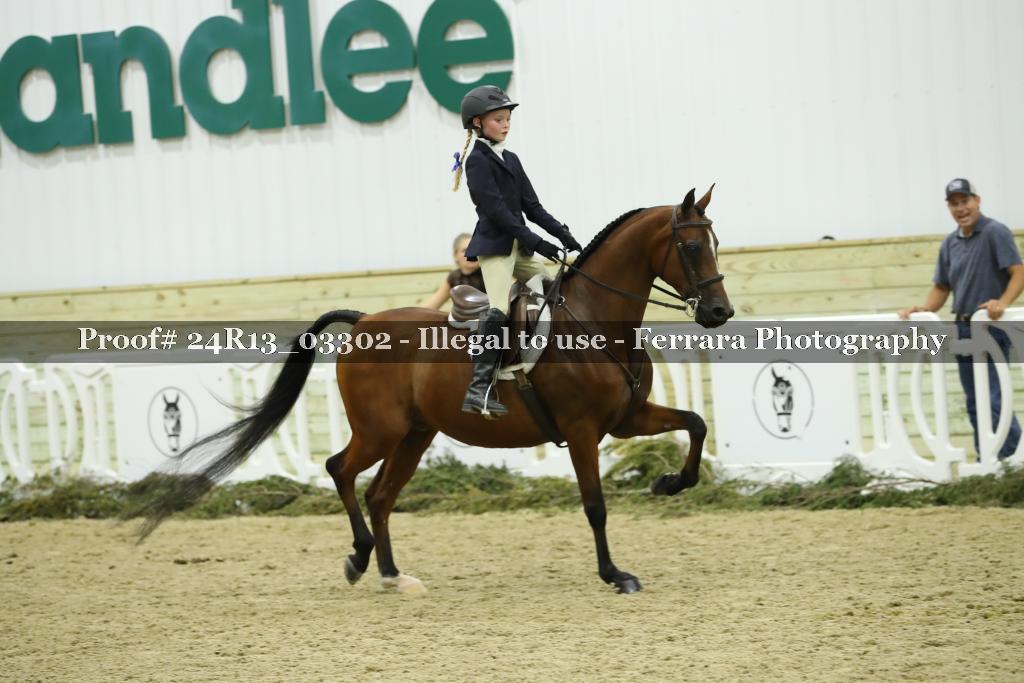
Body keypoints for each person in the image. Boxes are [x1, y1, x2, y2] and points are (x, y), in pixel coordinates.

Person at [451, 84, 583, 418]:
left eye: (507, 118)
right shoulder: (476, 161)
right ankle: (478, 388)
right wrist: (539, 243)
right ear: (478, 123)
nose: (506, 124)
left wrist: (563, 234)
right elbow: (498, 213)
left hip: (519, 246)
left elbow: (532, 207)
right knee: (498, 309)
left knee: (554, 292)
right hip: (496, 247)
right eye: (498, 119)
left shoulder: (510, 158)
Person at [899, 178, 1024, 460]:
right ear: (949, 208)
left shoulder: (995, 232)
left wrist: (1002, 302)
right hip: (963, 327)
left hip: (990, 326)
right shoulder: (949, 243)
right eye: (954, 204)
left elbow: (1019, 272)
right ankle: (989, 459)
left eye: (965, 201)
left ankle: (1008, 459)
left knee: (991, 397)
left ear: (977, 201)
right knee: (974, 400)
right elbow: (942, 286)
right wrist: (924, 310)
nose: (960, 208)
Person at [422, 233, 485, 310]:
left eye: (475, 249)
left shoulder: (488, 274)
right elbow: (431, 305)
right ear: (455, 255)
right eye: (465, 250)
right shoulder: (454, 277)